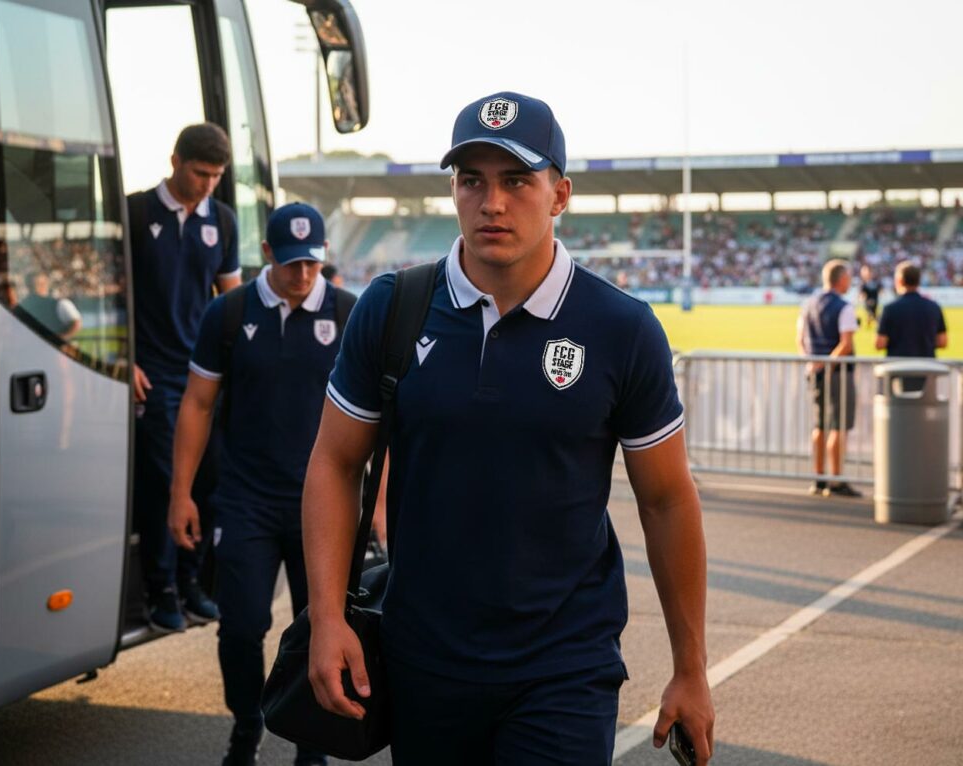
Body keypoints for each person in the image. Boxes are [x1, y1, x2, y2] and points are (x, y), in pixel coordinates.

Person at [302, 91, 714, 765]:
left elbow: (667, 498)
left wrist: (691, 668)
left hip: (565, 665)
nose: (492, 202)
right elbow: (333, 463)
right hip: (424, 660)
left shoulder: (621, 328)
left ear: (559, 195)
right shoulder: (393, 308)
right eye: (472, 181)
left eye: (517, 179)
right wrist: (326, 617)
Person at [169, 202, 349, 766]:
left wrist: (383, 500)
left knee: (318, 630)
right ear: (267, 255)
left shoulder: (349, 314)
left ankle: (311, 743)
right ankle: (247, 724)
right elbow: (197, 404)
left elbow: (381, 414)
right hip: (245, 501)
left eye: (313, 264)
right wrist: (180, 494)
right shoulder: (228, 314)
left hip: (323, 506)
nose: (302, 276)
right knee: (241, 628)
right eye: (291, 263)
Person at [130, 122, 241, 632]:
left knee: (209, 480)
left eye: (217, 176)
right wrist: (122, 360)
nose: (208, 184)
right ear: (175, 161)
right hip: (152, 373)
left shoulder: (223, 219)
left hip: (205, 374)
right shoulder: (134, 211)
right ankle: (161, 588)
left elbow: (232, 299)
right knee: (163, 483)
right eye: (201, 173)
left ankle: (193, 582)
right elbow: (114, 294)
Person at [797, 258, 862, 498]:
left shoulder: (808, 304)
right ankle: (835, 479)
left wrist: (812, 364)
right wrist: (828, 365)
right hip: (837, 374)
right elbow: (846, 344)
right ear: (841, 279)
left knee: (819, 425)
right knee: (838, 426)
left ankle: (819, 478)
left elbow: (800, 340)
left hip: (814, 372)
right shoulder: (844, 307)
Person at [875, 260, 947, 358]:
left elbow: (880, 343)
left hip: (898, 367)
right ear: (918, 281)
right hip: (926, 367)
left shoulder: (890, 309)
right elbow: (942, 341)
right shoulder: (934, 307)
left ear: (900, 281)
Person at [20, 271, 82, 340]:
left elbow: (76, 323)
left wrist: (60, 339)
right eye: (30, 286)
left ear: (46, 284)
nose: (34, 289)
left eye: (40, 284)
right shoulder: (23, 306)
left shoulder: (60, 304)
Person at [858, 264, 881, 329]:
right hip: (868, 301)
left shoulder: (875, 282)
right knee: (870, 314)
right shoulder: (864, 283)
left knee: (872, 314)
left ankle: (878, 323)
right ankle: (876, 323)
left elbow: (879, 290)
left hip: (875, 301)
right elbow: (862, 293)